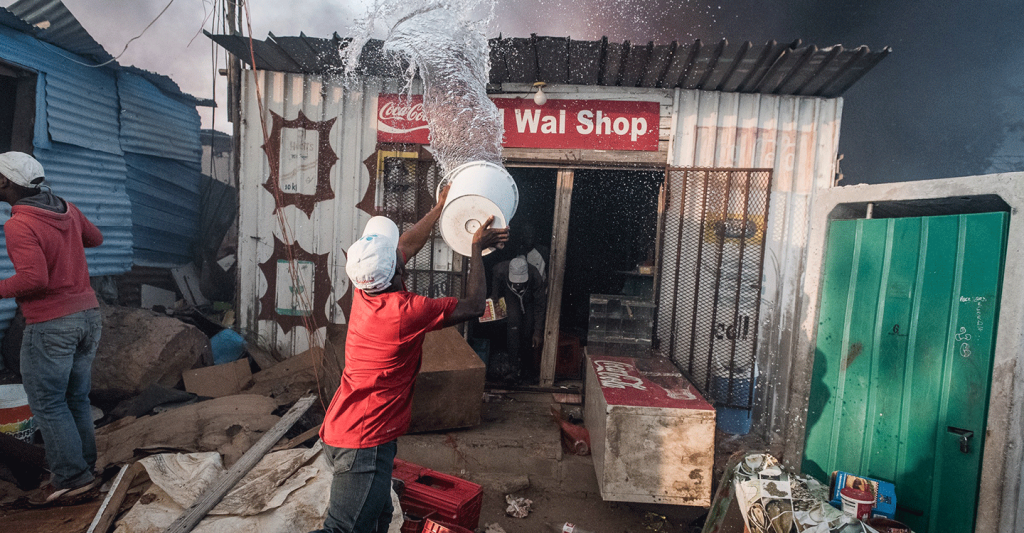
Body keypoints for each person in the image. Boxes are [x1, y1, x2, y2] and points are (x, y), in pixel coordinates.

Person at [312, 189, 508, 533]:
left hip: (353, 431)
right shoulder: (405, 312)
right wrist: (477, 248)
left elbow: (407, 244)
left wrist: (440, 207)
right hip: (363, 441)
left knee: (379, 518)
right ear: (396, 270)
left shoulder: (363, 286)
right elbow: (476, 305)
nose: (401, 252)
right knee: (341, 530)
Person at [0, 152, 104, 505]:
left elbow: (34, 278)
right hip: (88, 316)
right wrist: (66, 244)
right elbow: (96, 238)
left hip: (52, 323)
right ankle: (84, 470)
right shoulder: (66, 208)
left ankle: (72, 478)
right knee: (75, 398)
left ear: (5, 183)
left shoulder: (18, 224)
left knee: (48, 403)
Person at [489, 255, 546, 383]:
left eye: (521, 281)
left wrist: (538, 331)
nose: (519, 285)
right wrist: (495, 294)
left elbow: (540, 305)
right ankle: (513, 368)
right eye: (516, 281)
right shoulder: (501, 269)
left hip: (529, 300)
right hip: (511, 295)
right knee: (513, 326)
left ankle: (527, 370)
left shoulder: (535, 276)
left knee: (527, 332)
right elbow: (495, 277)